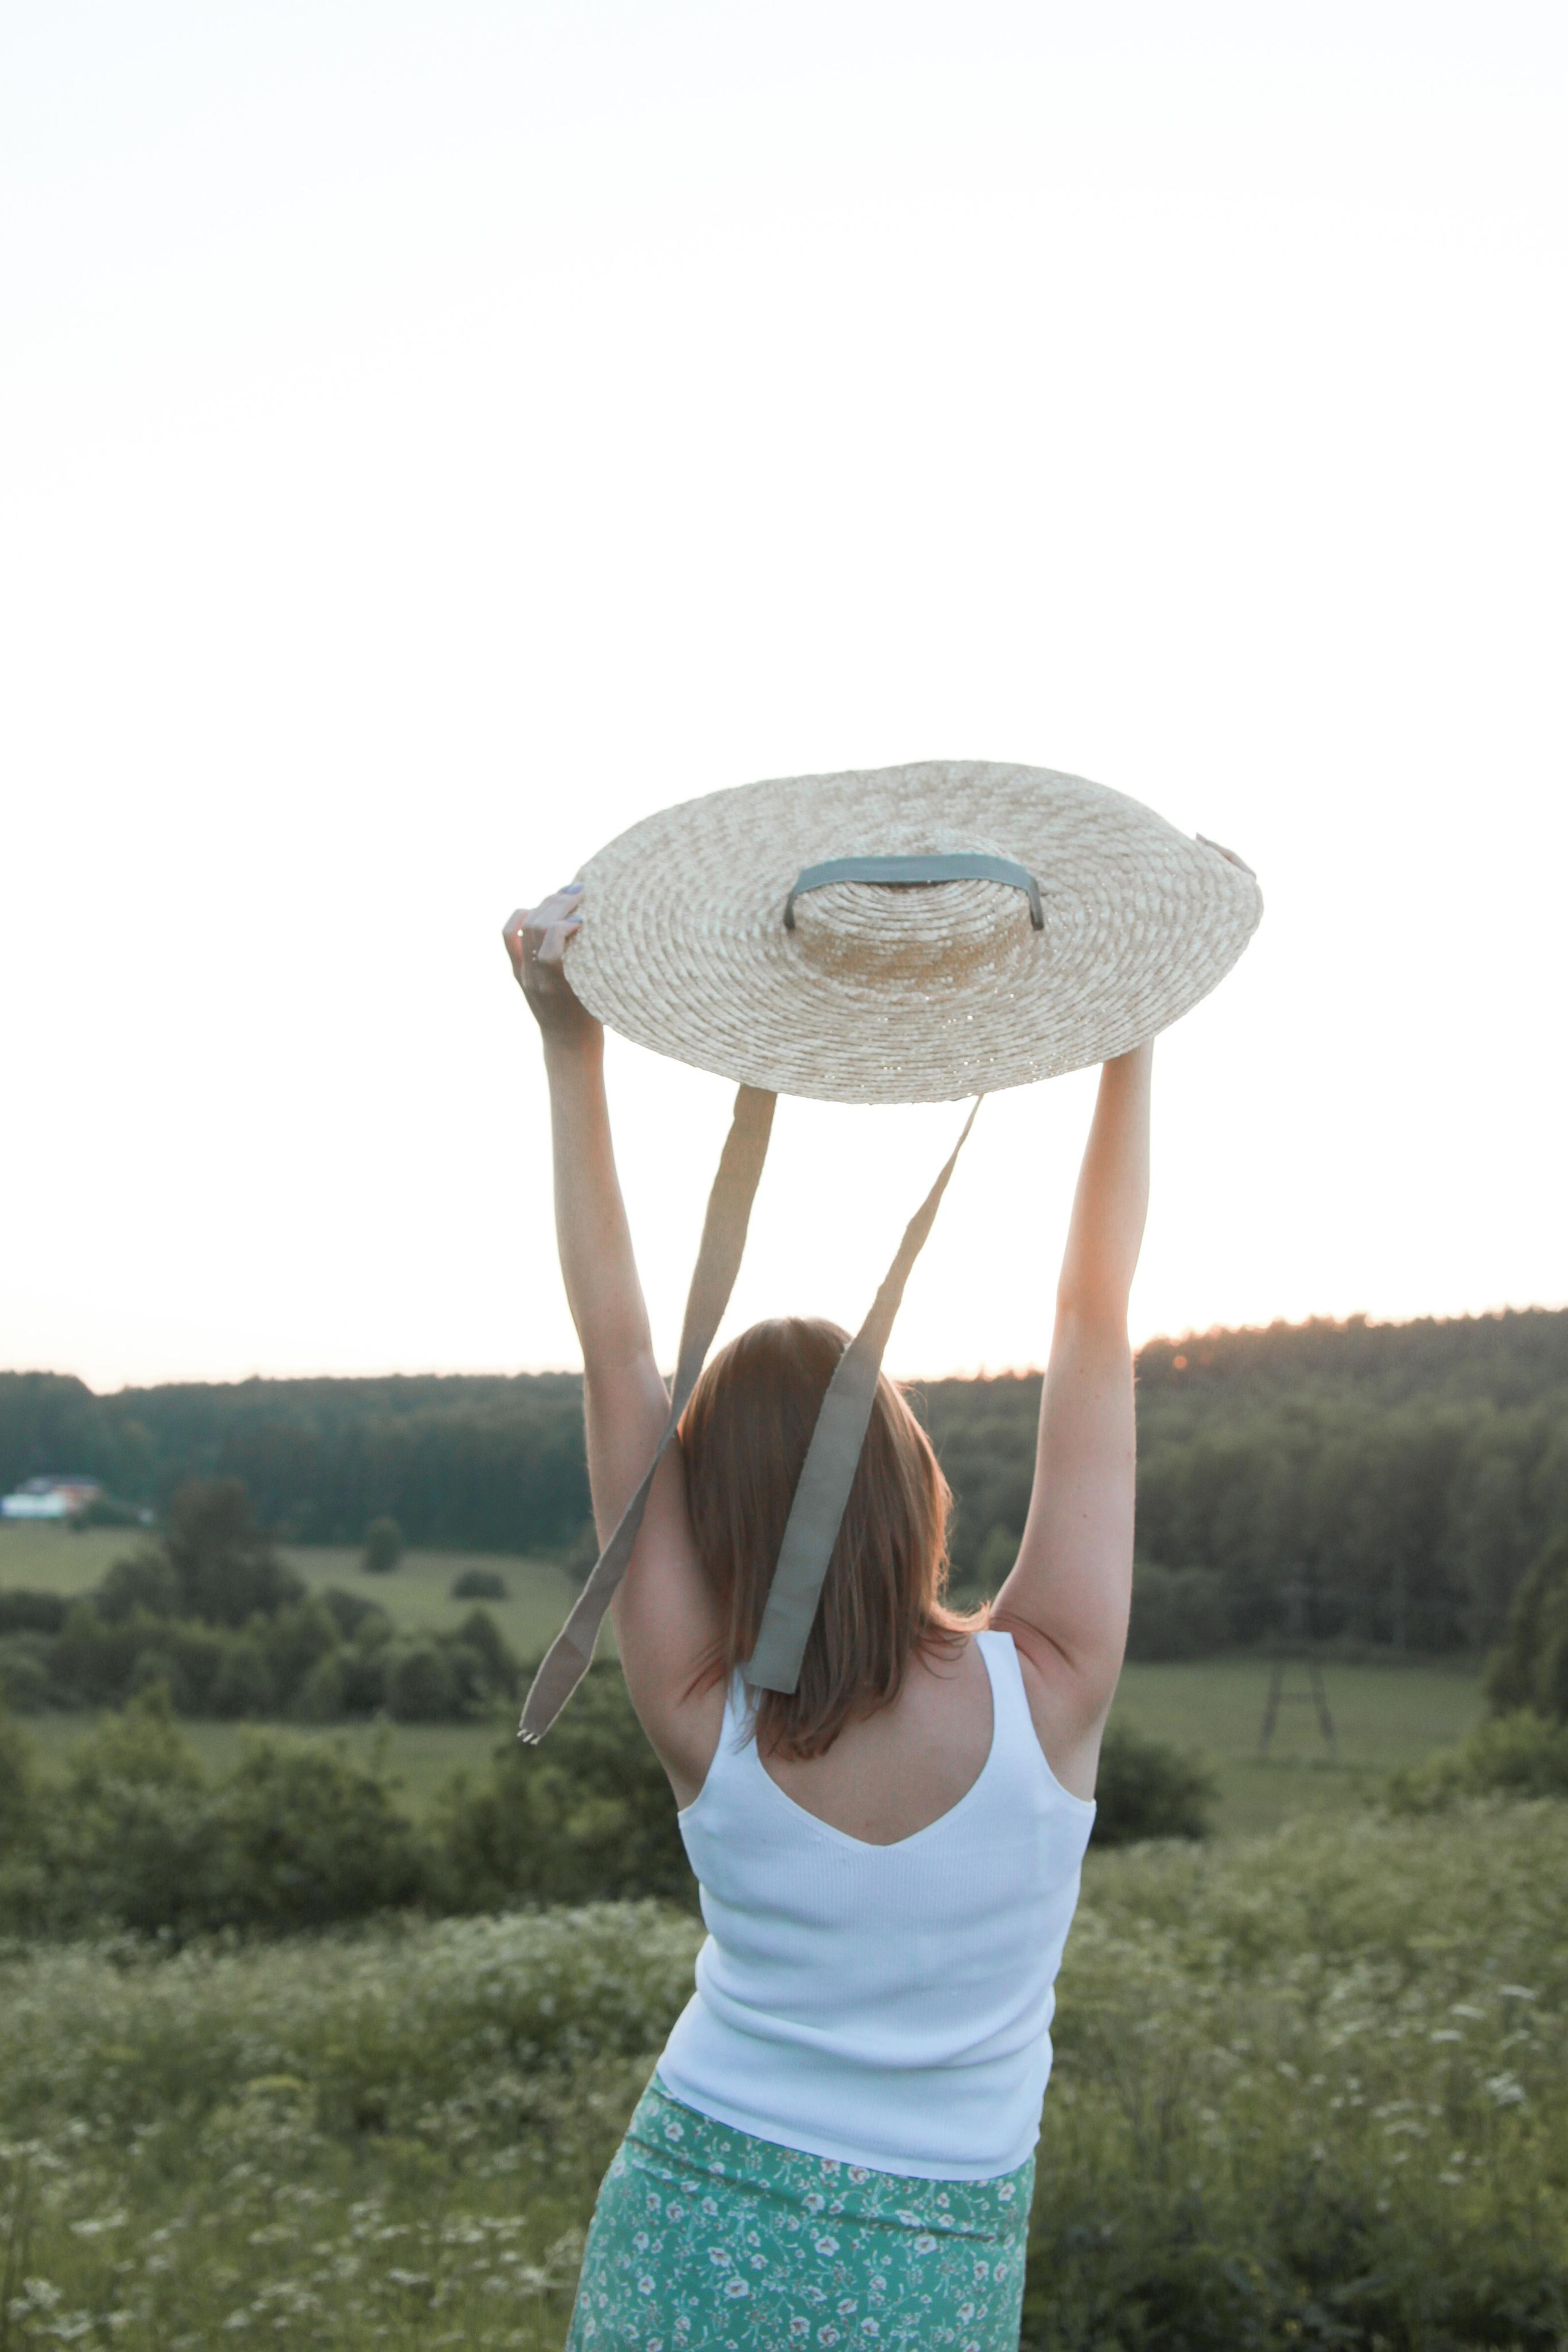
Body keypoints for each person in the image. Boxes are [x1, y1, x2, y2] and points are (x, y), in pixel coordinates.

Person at [505, 885, 1153, 2352]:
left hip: (690, 2212)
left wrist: (567, 1048)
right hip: (936, 2263)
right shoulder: (1051, 1683)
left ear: (713, 1525)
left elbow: (619, 1357)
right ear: (912, 1479)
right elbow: (1093, 1322)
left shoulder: (703, 1714)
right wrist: (1129, 1036)